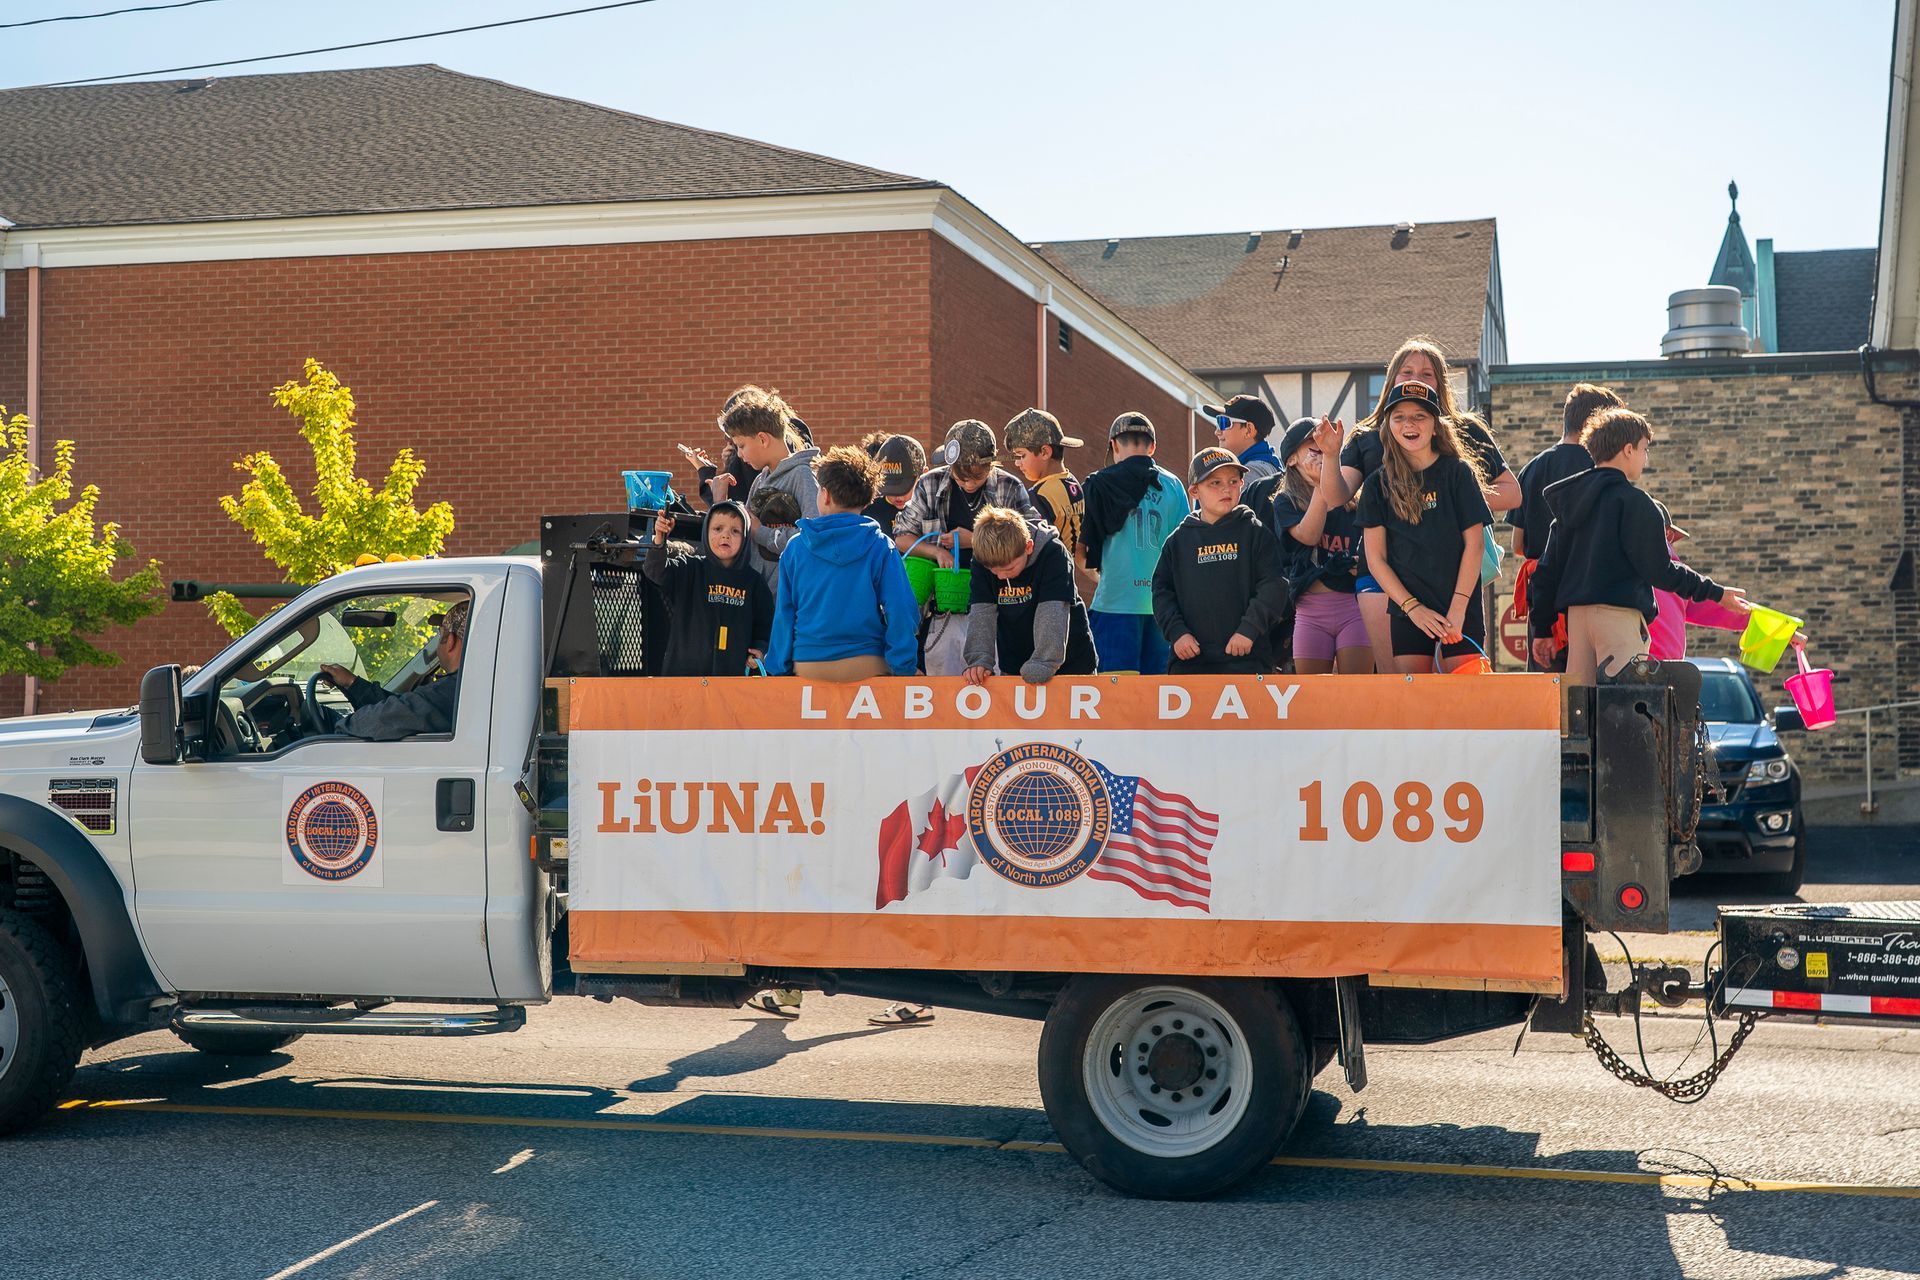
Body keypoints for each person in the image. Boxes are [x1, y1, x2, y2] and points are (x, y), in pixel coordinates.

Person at [1325, 338, 1520, 667]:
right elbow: (1336, 497)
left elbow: (1513, 494)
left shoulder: (1463, 448)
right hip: (1389, 581)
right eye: (1407, 372)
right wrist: (1331, 456)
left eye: (1427, 374)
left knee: (1462, 684)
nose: (1409, 424)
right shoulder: (1367, 441)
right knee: (1401, 685)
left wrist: (1454, 499)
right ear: (1391, 380)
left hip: (1454, 578)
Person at [1527, 408, 1748, 685]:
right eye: (1645, 449)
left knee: (1579, 706)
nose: (1646, 458)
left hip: (1577, 619)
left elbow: (1546, 573)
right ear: (1628, 450)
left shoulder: (1569, 504)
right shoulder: (1637, 503)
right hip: (1618, 617)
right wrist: (1716, 593)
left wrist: (1543, 629)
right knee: (1624, 704)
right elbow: (1661, 571)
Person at [893, 420, 1052, 676]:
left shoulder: (1009, 486)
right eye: (961, 478)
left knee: (992, 686)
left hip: (996, 607)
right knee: (943, 690)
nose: (968, 484)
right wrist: (936, 552)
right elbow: (901, 537)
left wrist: (975, 540)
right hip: (943, 610)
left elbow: (1033, 535)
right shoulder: (929, 483)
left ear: (992, 464)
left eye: (977, 477)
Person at [1355, 381, 1493, 674]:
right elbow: (1375, 559)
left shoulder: (1458, 473)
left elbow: (1475, 545)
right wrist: (1412, 608)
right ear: (1389, 426)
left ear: (1435, 426)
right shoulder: (1376, 485)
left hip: (1460, 608)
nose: (1409, 424)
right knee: (1415, 700)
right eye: (1399, 417)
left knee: (1465, 699)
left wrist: (1458, 609)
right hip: (1408, 612)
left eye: (1419, 416)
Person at [762, 446, 920, 680]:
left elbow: (784, 614)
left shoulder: (795, 548)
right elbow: (901, 609)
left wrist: (778, 669)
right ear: (866, 501)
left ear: (825, 495)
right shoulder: (881, 546)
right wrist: (903, 666)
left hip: (808, 664)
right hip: (867, 663)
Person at [1150, 447, 1289, 675]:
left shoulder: (1256, 533)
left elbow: (1274, 585)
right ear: (1194, 491)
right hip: (1190, 664)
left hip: (1247, 660)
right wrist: (1177, 633)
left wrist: (1249, 630)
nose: (1226, 488)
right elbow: (1161, 592)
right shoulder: (1178, 542)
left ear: (1242, 484)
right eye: (1215, 483)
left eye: (1233, 481)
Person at [1513, 383, 1623, 670]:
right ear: (1596, 425)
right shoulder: (1604, 471)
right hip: (1588, 595)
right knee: (1590, 688)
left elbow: (1517, 545)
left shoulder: (1531, 469)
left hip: (1542, 602)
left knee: (1547, 688)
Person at [1078, 412, 1189, 675]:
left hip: (1114, 603)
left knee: (1115, 691)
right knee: (1157, 692)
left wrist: (1102, 578)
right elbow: (1185, 549)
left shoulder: (1098, 484)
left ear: (1114, 445)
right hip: (1162, 608)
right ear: (1153, 447)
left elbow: (1079, 550)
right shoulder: (1173, 485)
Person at [1266, 416, 1370, 674]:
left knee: (1358, 691)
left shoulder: (1353, 500)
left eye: (1325, 444)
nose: (1321, 447)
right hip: (1310, 611)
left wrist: (1361, 564)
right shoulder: (1285, 501)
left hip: (1354, 607)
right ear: (1291, 459)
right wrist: (1321, 485)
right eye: (1313, 444)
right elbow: (1309, 536)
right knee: (1313, 693)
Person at [963, 506, 1098, 685]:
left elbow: (1052, 610)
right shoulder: (983, 559)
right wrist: (979, 659)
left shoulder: (1053, 553)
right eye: (994, 571)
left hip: (1072, 664)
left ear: (1028, 547)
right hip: (1015, 663)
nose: (1001, 577)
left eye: (1009, 569)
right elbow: (982, 611)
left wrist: (1044, 661)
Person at [641, 499, 773, 676]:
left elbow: (765, 626)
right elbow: (655, 572)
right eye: (718, 529)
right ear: (705, 532)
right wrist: (659, 539)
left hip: (733, 679)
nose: (725, 536)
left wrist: (760, 649)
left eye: (735, 531)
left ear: (746, 537)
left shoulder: (754, 582)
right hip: (685, 678)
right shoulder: (690, 568)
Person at [1646, 500, 1778, 661]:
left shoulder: (1680, 579)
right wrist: (1779, 627)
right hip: (1663, 667)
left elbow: (1728, 608)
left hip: (1638, 665)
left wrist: (1780, 628)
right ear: (1667, 535)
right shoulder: (1682, 579)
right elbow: (1729, 609)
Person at [321, 600, 468, 740]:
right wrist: (352, 683)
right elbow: (404, 710)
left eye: (440, 634)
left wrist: (338, 728)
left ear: (450, 641)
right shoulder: (465, 690)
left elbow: (381, 720)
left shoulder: (453, 691)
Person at [721, 385, 820, 587]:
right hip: (761, 595)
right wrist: (720, 502)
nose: (739, 454)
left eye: (741, 445)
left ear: (763, 439)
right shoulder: (760, 480)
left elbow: (813, 537)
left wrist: (762, 533)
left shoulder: (802, 476)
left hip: (792, 597)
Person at [1004, 408, 1086, 555]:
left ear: (1045, 452)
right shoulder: (1073, 483)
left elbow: (1035, 548)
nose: (1017, 463)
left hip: (1053, 567)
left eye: (1021, 455)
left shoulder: (1038, 496)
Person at [1203, 394, 1281, 481]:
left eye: (1224, 422)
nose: (1217, 432)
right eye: (1218, 422)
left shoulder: (1252, 472)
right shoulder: (1265, 463)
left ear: (1249, 430)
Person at [861, 434, 926, 538]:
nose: (897, 496)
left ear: (924, 475)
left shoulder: (932, 508)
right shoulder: (869, 511)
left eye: (903, 487)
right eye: (890, 487)